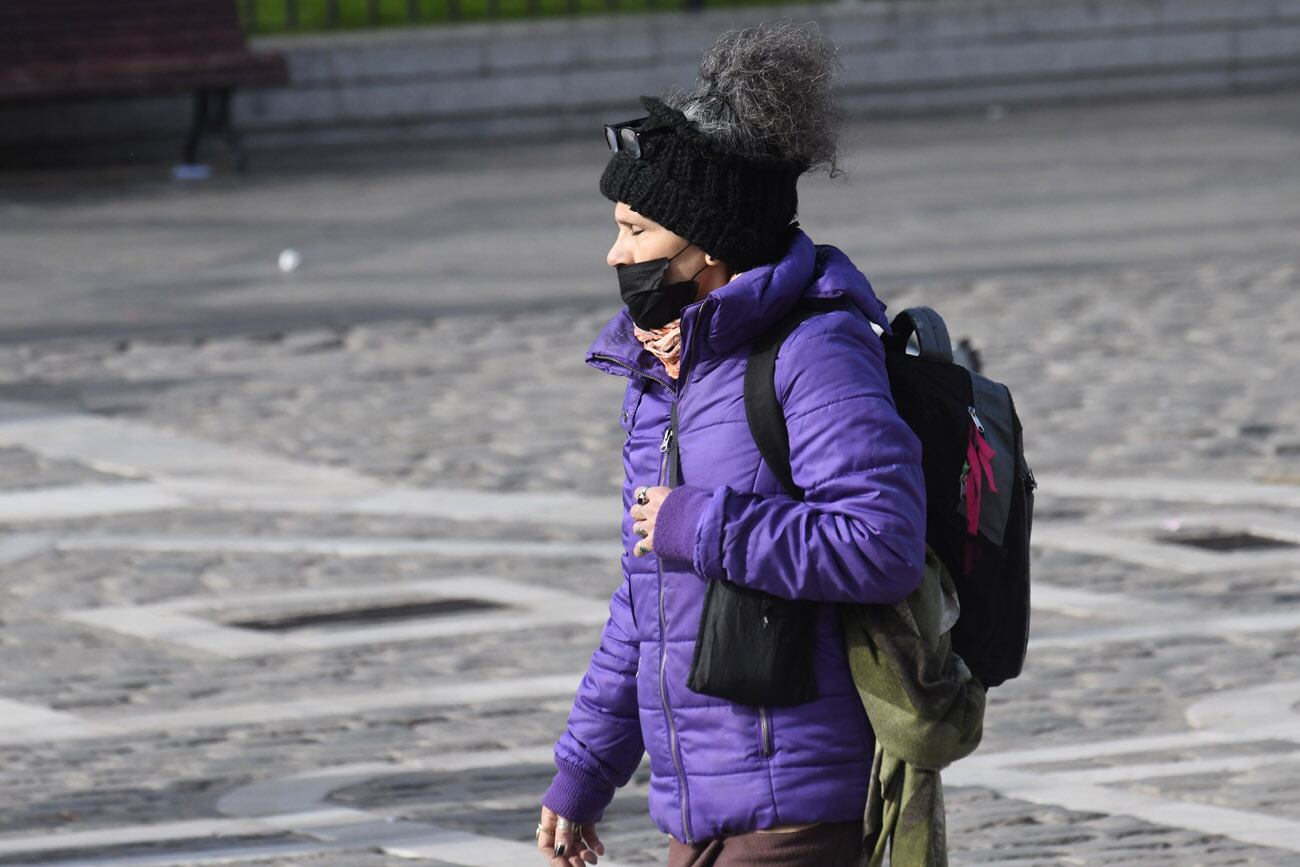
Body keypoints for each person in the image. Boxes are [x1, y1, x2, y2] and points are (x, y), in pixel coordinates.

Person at [536, 23, 927, 867]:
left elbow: (882, 544)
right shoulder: (666, 375)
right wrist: (582, 771)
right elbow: (647, 603)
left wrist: (700, 523)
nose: (616, 253)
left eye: (636, 230)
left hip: (799, 803)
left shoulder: (814, 350)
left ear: (706, 246)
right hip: (707, 806)